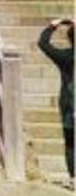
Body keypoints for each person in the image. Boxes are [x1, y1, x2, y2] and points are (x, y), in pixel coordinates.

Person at [38, 17, 73, 183]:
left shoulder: (65, 57)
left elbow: (43, 44)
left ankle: (74, 177)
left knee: (71, 143)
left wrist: (53, 25)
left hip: (70, 105)